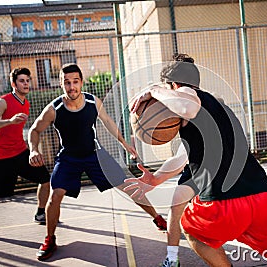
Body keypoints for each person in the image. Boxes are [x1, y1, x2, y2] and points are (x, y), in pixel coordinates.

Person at [125, 54, 267, 266]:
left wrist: (155, 90)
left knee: (192, 230)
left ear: (174, 85)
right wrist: (157, 178)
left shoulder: (186, 95)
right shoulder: (218, 105)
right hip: (262, 197)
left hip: (223, 203)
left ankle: (178, 260)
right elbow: (183, 156)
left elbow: (187, 106)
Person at [28, 63, 166, 261]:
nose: (71, 86)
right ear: (61, 84)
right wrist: (33, 149)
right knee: (55, 195)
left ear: (81, 82)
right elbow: (34, 130)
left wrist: (126, 144)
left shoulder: (93, 102)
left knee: (129, 185)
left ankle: (158, 218)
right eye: (67, 83)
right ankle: (50, 238)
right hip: (68, 158)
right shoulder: (54, 109)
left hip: (95, 154)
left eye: (75, 82)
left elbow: (108, 122)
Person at [0, 67, 50, 224]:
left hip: (20, 152)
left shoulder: (25, 103)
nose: (26, 84)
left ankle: (41, 213)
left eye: (28, 81)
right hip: (0, 156)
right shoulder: (3, 101)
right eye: (22, 81)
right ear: (14, 84)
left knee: (45, 179)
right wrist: (9, 121)